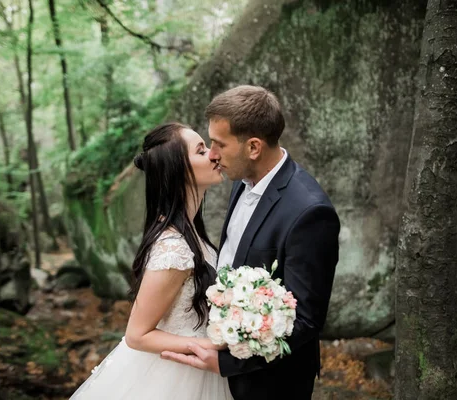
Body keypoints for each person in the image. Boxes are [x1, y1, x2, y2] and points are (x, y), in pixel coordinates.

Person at [161, 85, 341, 400]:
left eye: (219, 144)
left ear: (253, 147)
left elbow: (306, 319)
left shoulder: (310, 213)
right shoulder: (241, 180)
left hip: (271, 382)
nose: (212, 155)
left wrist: (227, 362)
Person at [70, 122, 233, 399]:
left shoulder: (193, 233)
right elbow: (137, 335)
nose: (213, 155)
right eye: (201, 150)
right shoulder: (174, 249)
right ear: (179, 170)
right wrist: (208, 345)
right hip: (176, 379)